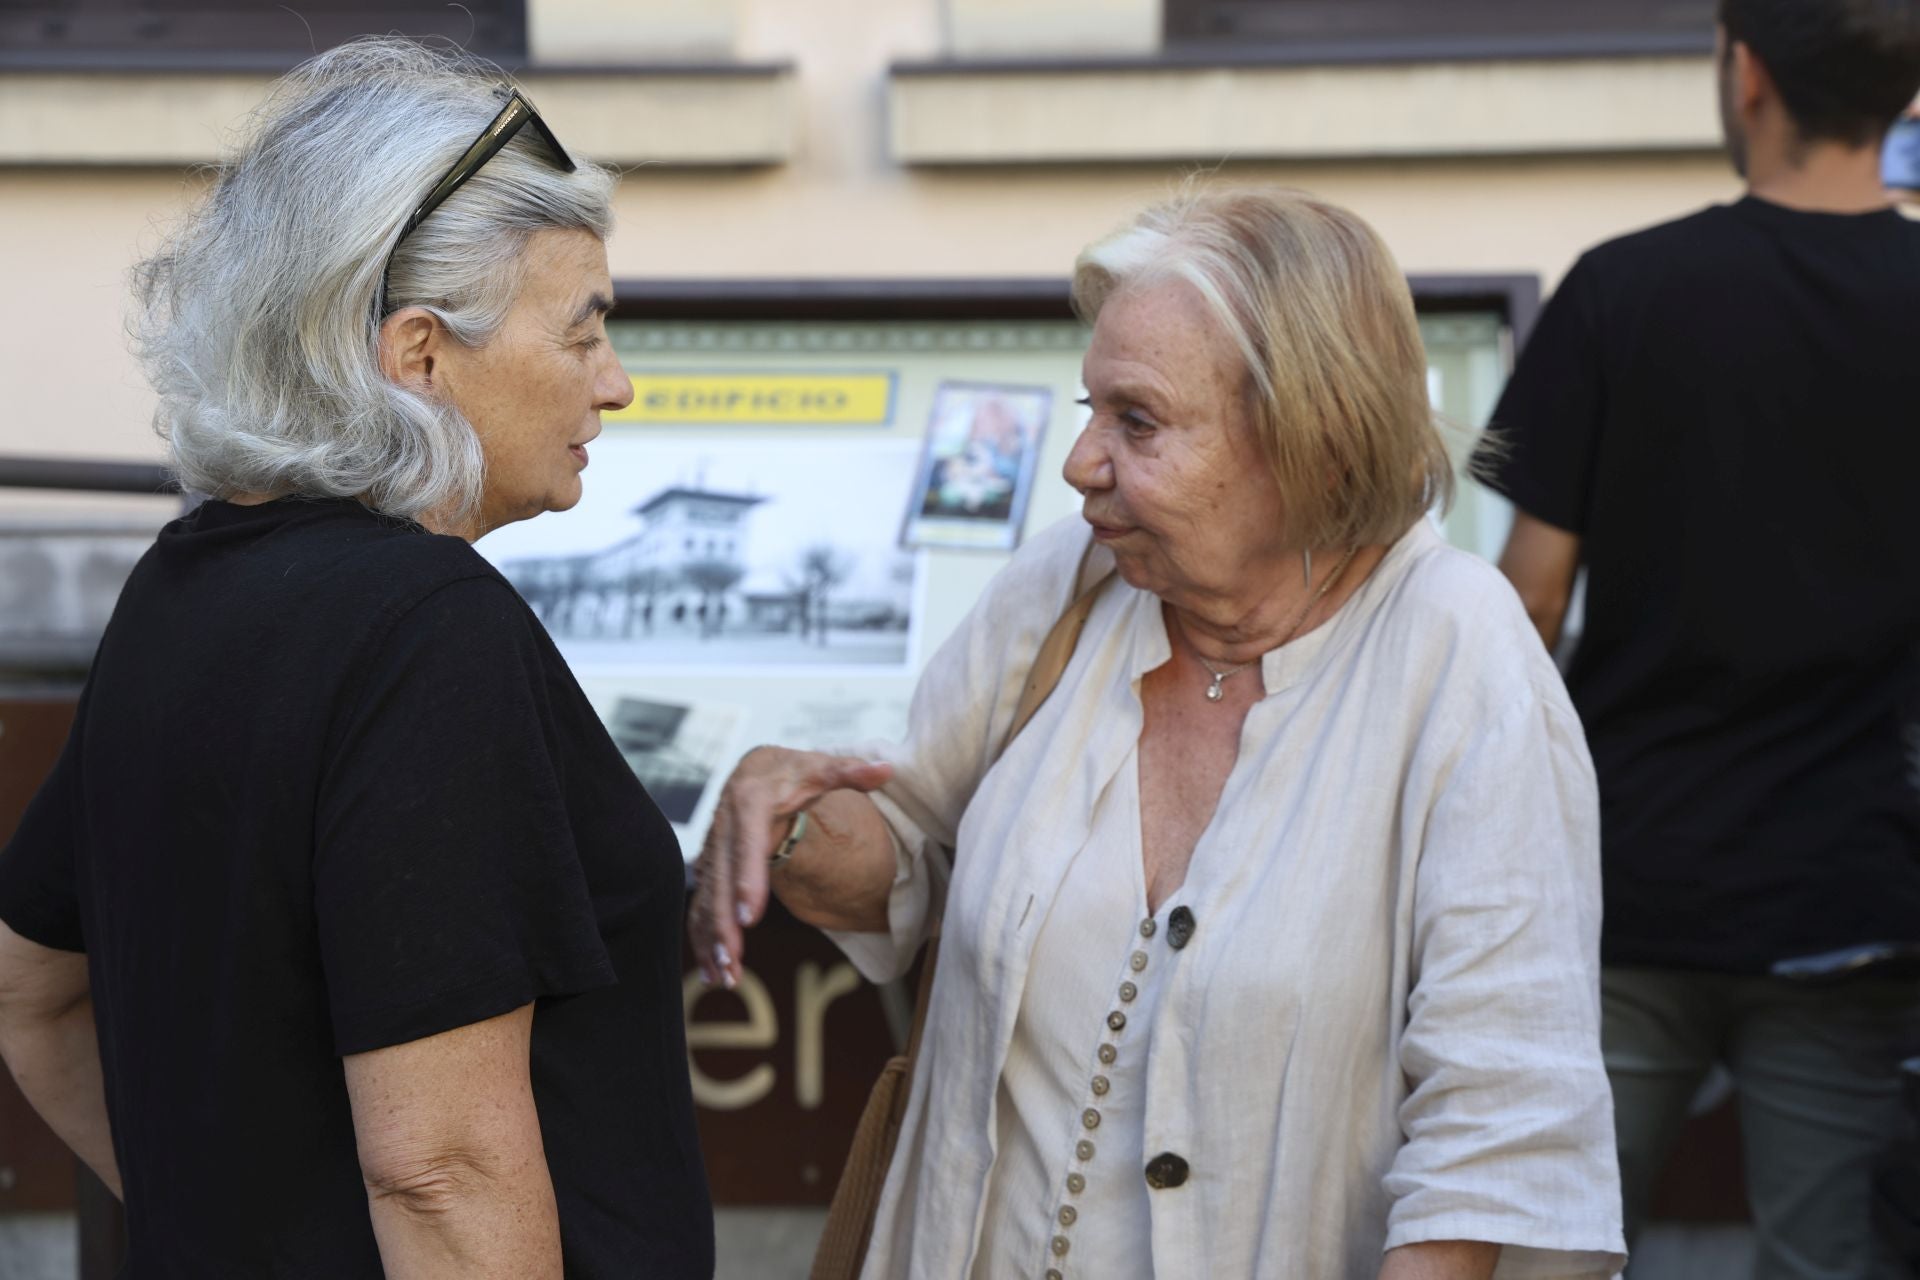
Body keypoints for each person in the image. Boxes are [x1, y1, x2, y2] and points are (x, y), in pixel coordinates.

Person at [692, 188, 1625, 1279]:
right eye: (1091, 410)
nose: (1081, 463)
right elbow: (910, 849)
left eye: (1135, 421)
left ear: (1307, 435)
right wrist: (792, 817)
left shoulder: (1463, 655)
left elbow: (1500, 1125)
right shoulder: (1069, 585)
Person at [0, 39, 714, 1278]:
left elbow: (30, 990)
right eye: (583, 332)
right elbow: (442, 1170)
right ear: (421, 356)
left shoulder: (182, 583)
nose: (618, 383)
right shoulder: (426, 628)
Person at [1482, 1, 1920, 1274]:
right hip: (1856, 892)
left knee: (1545, 1240)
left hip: (1630, 878)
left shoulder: (1627, 286)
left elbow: (1525, 605)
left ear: (1748, 76)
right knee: (1826, 1257)